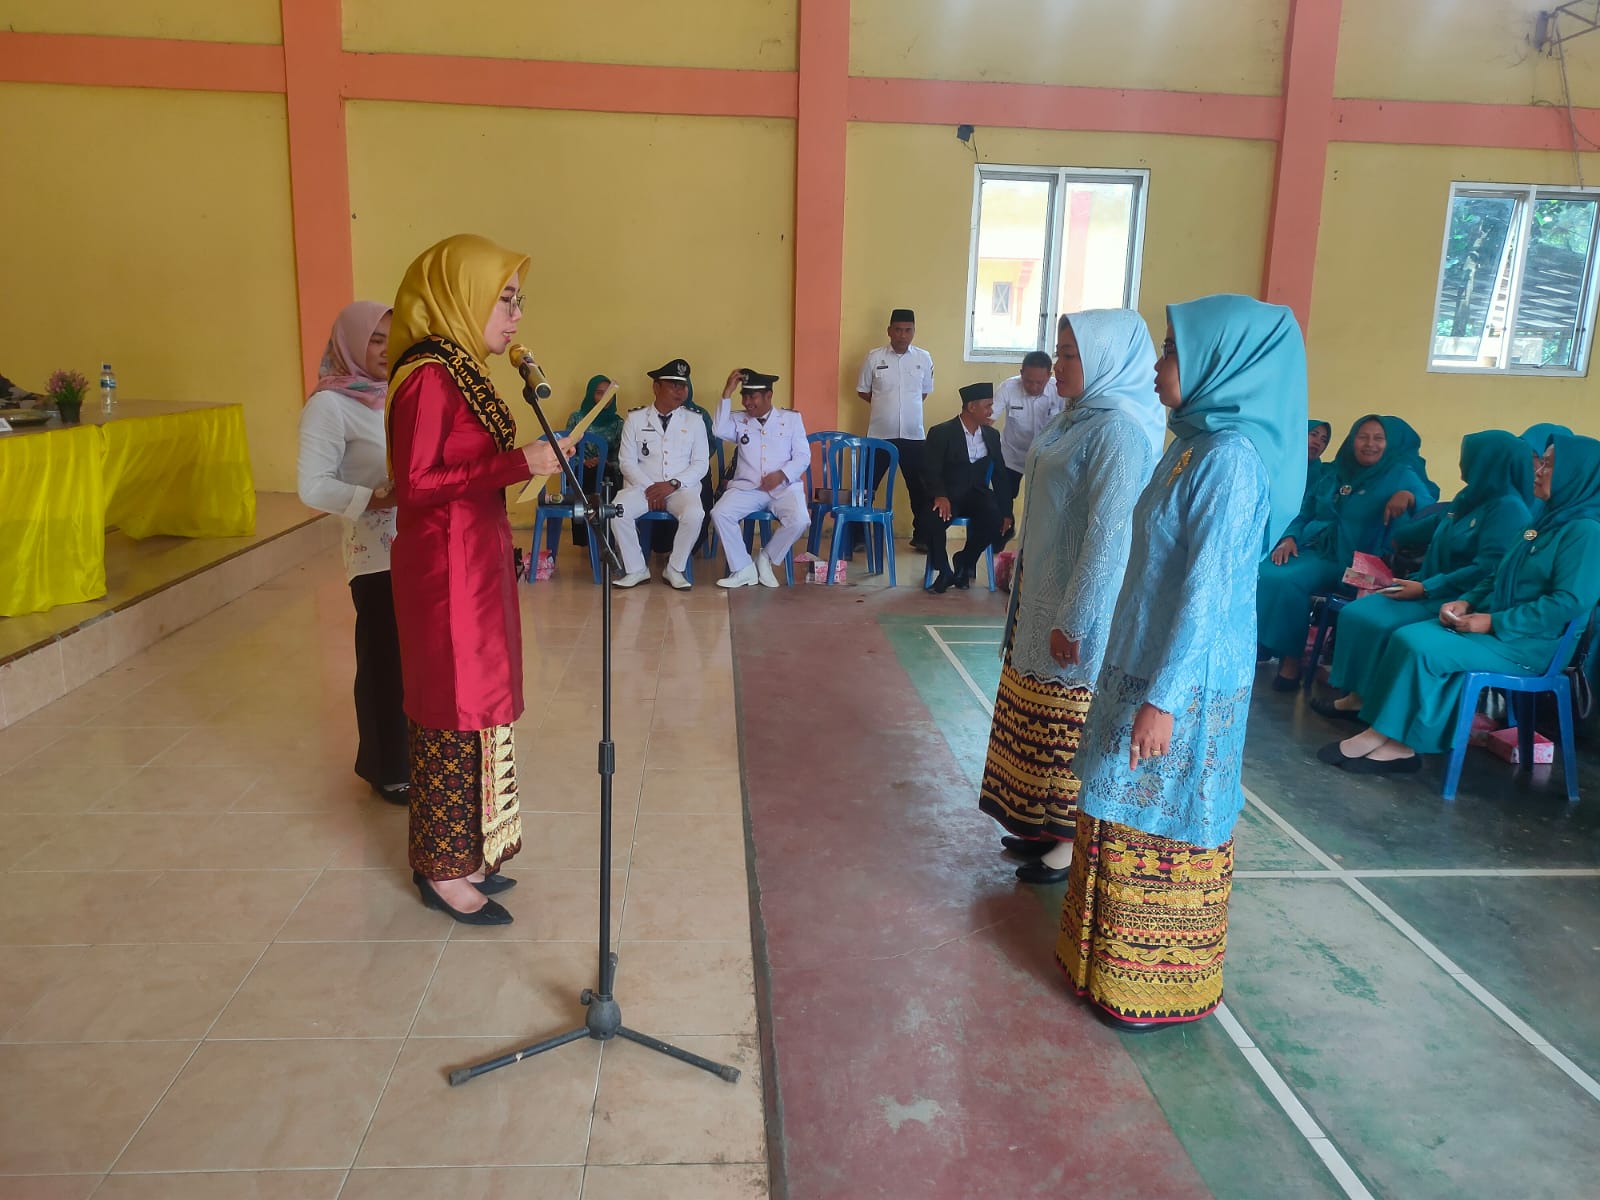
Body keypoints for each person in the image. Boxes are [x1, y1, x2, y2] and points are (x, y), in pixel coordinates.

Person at [1059, 294, 1307, 1030]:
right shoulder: (1191, 443)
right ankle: (1104, 966)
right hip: (1142, 661)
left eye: (1173, 351)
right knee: (1118, 805)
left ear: (1219, 363)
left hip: (1184, 683)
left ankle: (1153, 986)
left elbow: (1208, 596)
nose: (1162, 364)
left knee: (1162, 822)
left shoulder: (1230, 462)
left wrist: (1163, 699)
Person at [386, 233, 574, 925]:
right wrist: (516, 464)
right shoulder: (429, 375)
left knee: (481, 701)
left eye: (518, 301)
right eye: (505, 299)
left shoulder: (465, 367)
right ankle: (439, 869)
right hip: (443, 567)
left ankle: (467, 849)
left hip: (475, 556)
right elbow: (416, 482)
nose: (516, 315)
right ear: (460, 296)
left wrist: (532, 463)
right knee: (450, 707)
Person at [979, 310, 1163, 885]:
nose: (1057, 365)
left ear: (1106, 360)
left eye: (1069, 355)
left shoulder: (1119, 432)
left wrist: (1077, 619)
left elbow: (1109, 539)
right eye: (1057, 352)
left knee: (1070, 719)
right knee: (1034, 708)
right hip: (1039, 595)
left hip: (1074, 608)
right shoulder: (1075, 417)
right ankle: (1038, 825)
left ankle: (1068, 838)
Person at [1320, 432, 1600, 774]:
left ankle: (1395, 742)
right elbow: (1496, 574)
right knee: (1408, 638)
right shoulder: (1543, 522)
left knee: (1424, 648)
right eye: (1541, 462)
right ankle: (1388, 737)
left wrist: (1493, 622)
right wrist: (1466, 603)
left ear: (1577, 474)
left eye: (1549, 465)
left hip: (1529, 646)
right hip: (1497, 628)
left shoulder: (1586, 532)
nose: (1538, 471)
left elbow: (1568, 603)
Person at [1313, 430, 1533, 721]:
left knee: (1382, 623)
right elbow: (1432, 525)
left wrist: (1426, 588)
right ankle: (1358, 696)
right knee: (1358, 612)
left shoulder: (1508, 509)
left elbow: (1488, 569)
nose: (1462, 464)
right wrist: (1399, 533)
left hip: (1457, 597)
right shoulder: (1470, 497)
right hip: (1426, 585)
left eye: (1469, 457)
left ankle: (1381, 709)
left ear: (1487, 462)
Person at [296, 300, 409, 804]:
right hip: (374, 552)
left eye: (392, 337)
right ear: (350, 345)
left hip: (417, 543)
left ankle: (413, 755)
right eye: (375, 340)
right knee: (384, 656)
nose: (385, 350)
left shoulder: (396, 393)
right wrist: (376, 499)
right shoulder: (329, 404)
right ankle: (385, 767)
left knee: (413, 659)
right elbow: (312, 486)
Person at [1258, 414, 1434, 689]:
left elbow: (1428, 509)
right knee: (1270, 572)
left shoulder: (1400, 473)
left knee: (1298, 583)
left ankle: (1306, 663)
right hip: (1322, 551)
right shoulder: (1335, 472)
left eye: (1378, 438)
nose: (1369, 444)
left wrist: (1408, 497)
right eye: (1363, 437)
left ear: (1389, 443)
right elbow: (1304, 511)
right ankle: (1278, 653)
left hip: (1366, 564)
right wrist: (1289, 537)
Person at [612, 358, 709, 589]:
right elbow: (626, 462)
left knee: (695, 514)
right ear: (656, 387)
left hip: (680, 489)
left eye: (683, 385)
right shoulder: (635, 419)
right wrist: (651, 489)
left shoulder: (695, 421)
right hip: (643, 487)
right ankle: (636, 569)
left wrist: (672, 484)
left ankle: (675, 568)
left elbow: (700, 463)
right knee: (616, 511)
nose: (680, 390)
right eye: (673, 385)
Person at [711, 368, 810, 588]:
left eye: (752, 396)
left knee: (800, 520)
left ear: (768, 395)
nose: (747, 402)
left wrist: (782, 475)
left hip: (784, 487)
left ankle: (766, 558)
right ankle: (744, 568)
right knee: (720, 513)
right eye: (744, 396)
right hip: (749, 487)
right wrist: (727, 393)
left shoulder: (791, 419)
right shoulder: (739, 420)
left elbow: (803, 456)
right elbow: (718, 429)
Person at [857, 308, 936, 551]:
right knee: (866, 487)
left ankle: (922, 536)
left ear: (914, 332)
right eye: (898, 330)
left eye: (908, 330)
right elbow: (863, 390)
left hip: (914, 435)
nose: (903, 335)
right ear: (889, 331)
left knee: (920, 487)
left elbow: (924, 392)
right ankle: (858, 537)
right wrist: (886, 406)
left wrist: (903, 408)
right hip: (880, 434)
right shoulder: (874, 357)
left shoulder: (924, 358)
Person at [921, 383, 1003, 593]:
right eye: (987, 406)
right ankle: (944, 571)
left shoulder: (992, 435)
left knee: (996, 518)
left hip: (977, 495)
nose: (991, 411)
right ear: (971, 407)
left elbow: (1000, 473)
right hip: (949, 495)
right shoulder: (942, 432)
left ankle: (964, 560)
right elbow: (930, 468)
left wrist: (1007, 510)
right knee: (931, 520)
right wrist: (939, 495)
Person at [994, 350, 1061, 542]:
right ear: (1021, 373)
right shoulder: (1008, 387)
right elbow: (987, 421)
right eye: (1029, 381)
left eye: (1040, 382)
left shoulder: (1059, 390)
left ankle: (1033, 545)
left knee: (1041, 504)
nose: (1033, 386)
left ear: (1049, 375)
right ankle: (1002, 539)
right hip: (1012, 456)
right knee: (1002, 503)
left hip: (1046, 458)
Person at [561, 374, 621, 547]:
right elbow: (566, 449)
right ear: (590, 395)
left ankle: (606, 540)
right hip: (581, 472)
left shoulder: (618, 424)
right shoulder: (577, 419)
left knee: (606, 476)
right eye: (599, 393)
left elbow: (620, 456)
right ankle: (589, 538)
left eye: (608, 393)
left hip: (606, 474)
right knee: (587, 475)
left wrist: (606, 462)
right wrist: (583, 461)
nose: (604, 398)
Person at [1305, 419, 1332, 498]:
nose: (1317, 442)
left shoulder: (1324, 476)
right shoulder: (1276, 466)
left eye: (1323, 440)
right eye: (1313, 435)